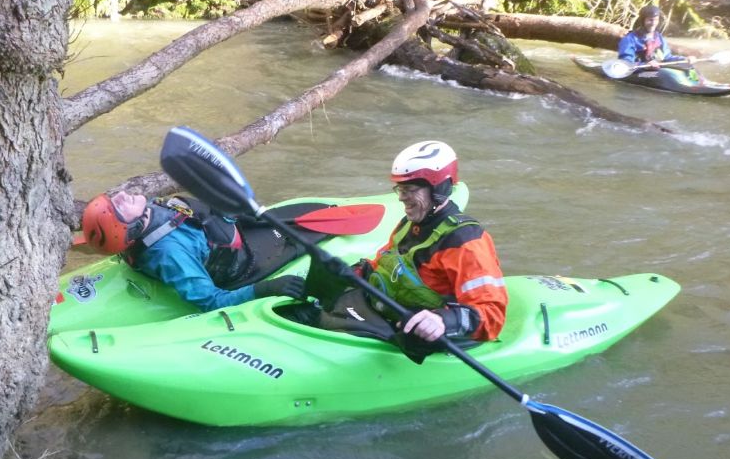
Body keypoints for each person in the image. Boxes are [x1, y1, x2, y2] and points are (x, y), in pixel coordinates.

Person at [307, 140, 507, 357]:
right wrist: (351, 273)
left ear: (439, 189)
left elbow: (491, 315)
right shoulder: (409, 224)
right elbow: (386, 267)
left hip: (418, 332)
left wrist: (443, 320)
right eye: (400, 189)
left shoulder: (466, 242)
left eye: (409, 189)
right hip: (388, 315)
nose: (402, 197)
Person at [80, 191, 305, 312]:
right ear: (129, 230)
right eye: (118, 208)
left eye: (113, 199)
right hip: (240, 263)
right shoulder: (170, 254)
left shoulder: (144, 215)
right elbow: (212, 301)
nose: (120, 195)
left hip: (221, 228)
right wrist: (265, 288)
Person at [618, 5, 691, 67]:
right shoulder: (629, 39)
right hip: (639, 71)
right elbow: (626, 62)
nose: (653, 23)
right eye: (650, 20)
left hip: (657, 70)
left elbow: (667, 57)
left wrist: (684, 59)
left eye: (656, 20)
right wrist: (645, 65)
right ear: (643, 21)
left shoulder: (658, 37)